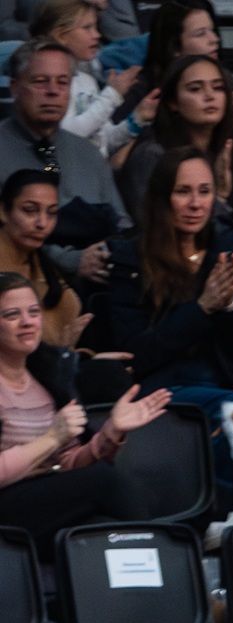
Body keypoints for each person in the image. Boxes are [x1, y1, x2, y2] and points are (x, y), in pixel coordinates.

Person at [103, 147, 233, 460]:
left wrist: (228, 307)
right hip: (164, 388)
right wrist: (201, 308)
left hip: (230, 382)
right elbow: (134, 355)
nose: (195, 204)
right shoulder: (130, 260)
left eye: (204, 191)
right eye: (182, 192)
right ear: (161, 198)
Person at [0, 270, 171, 545]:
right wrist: (51, 438)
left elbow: (67, 463)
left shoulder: (46, 376)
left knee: (103, 528)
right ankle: (170, 563)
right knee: (106, 482)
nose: (27, 322)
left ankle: (149, 583)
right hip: (7, 505)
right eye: (11, 315)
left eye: (33, 312)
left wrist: (109, 434)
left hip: (44, 499)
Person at [115, 53, 233, 266]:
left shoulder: (230, 150)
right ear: (173, 102)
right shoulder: (152, 157)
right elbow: (163, 240)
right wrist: (218, 199)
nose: (210, 96)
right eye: (195, 88)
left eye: (218, 87)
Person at [0, 40, 128, 282]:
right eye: (40, 81)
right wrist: (70, 260)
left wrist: (105, 254)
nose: (53, 91)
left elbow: (121, 222)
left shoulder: (88, 154)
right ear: (15, 88)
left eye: (63, 82)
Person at [126, 2, 233, 152]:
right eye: (201, 34)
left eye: (217, 87)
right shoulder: (141, 91)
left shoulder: (227, 80)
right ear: (175, 47)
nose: (214, 39)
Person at [33, 0, 139, 155]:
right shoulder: (48, 84)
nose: (97, 35)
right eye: (87, 28)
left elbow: (104, 141)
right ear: (61, 36)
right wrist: (112, 95)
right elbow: (66, 136)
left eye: (96, 27)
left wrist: (137, 119)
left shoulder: (87, 81)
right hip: (63, 173)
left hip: (97, 174)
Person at [0, 171, 86, 350]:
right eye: (30, 210)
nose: (42, 223)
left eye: (52, 213)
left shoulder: (47, 271)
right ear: (3, 211)